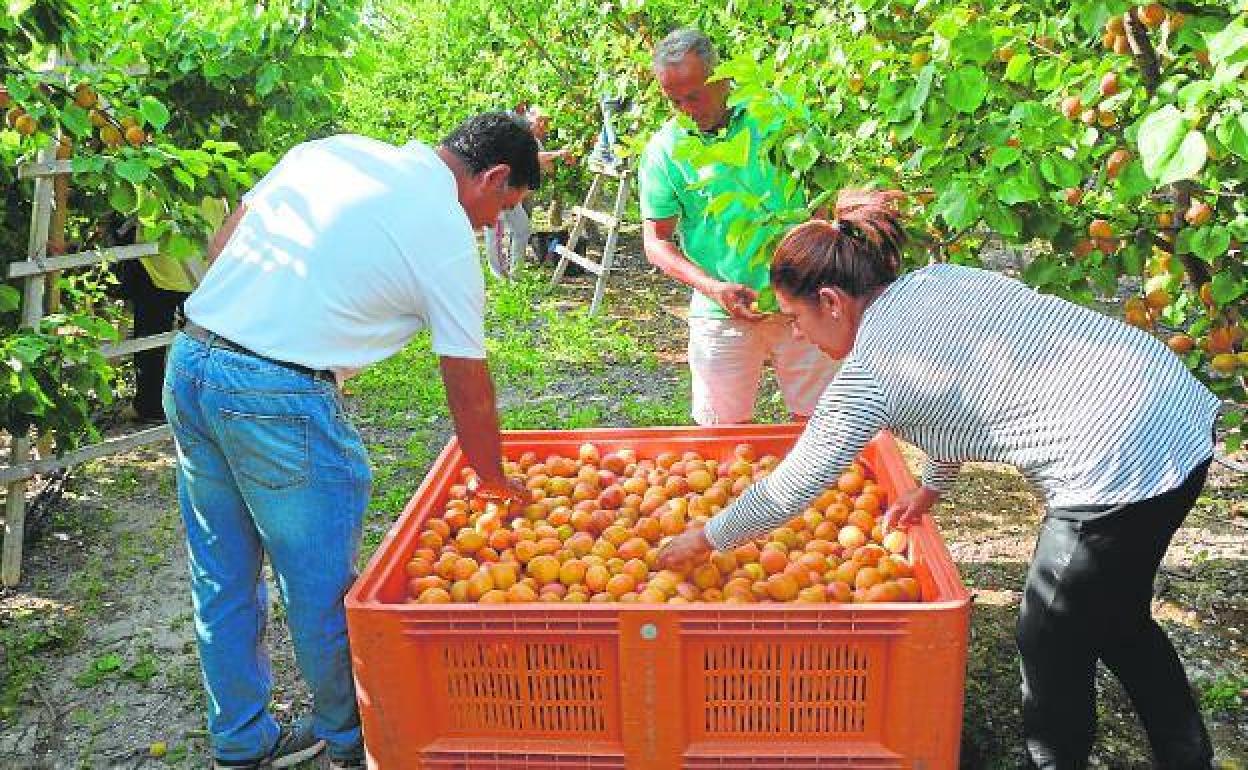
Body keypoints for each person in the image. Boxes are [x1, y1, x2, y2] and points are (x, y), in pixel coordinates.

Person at [657, 189, 1220, 769]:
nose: (796, 334)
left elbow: (792, 486)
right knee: (1115, 614)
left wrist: (705, 539)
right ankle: (1187, 756)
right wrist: (933, 482)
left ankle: (1056, 760)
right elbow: (971, 388)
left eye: (796, 318)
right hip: (1176, 410)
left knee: (1048, 636)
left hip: (1117, 462)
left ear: (830, 301)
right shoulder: (939, 279)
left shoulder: (869, 373)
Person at [162, 113, 538, 770]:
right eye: (501, 210)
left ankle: (241, 742)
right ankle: (349, 741)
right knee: (323, 590)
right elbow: (467, 381)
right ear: (495, 176)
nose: (490, 227)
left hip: (192, 361)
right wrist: (494, 478)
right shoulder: (445, 233)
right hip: (275, 394)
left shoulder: (330, 153)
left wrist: (280, 322)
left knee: (220, 575)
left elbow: (227, 244)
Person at [639, 28, 840, 425]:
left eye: (693, 95)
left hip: (804, 303)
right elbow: (655, 240)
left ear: (722, 78)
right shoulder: (664, 150)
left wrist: (813, 277)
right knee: (722, 436)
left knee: (822, 427)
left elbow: (827, 199)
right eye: (673, 100)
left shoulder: (779, 116)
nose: (685, 108)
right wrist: (713, 288)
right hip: (723, 310)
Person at [482, 105, 571, 278]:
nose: (543, 126)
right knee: (495, 232)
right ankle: (499, 276)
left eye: (546, 122)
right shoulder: (519, 135)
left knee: (522, 228)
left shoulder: (535, 142)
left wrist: (562, 162)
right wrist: (559, 153)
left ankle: (516, 274)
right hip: (496, 190)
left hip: (510, 192)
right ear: (531, 120)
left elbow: (546, 166)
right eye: (540, 121)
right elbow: (535, 158)